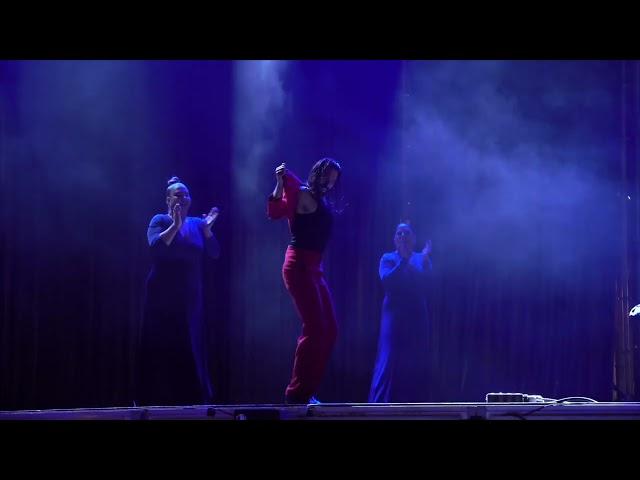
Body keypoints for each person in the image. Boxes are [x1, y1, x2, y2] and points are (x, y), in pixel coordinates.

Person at [137, 176, 220, 406]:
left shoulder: (197, 224)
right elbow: (155, 248)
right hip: (162, 297)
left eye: (186, 195)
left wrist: (208, 231)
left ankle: (192, 399)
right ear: (168, 198)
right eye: (177, 195)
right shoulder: (160, 220)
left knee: (191, 345)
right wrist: (175, 225)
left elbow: (214, 253)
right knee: (163, 345)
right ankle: (157, 399)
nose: (182, 198)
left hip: (191, 297)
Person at [267, 158, 342, 404]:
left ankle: (307, 391)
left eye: (334, 180)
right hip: (298, 265)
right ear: (318, 174)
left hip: (314, 268)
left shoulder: (320, 199)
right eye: (327, 178)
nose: (330, 184)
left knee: (329, 330)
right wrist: (279, 183)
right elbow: (275, 211)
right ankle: (296, 394)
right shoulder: (301, 193)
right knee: (315, 328)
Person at [369, 222, 433, 403]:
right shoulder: (387, 258)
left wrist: (426, 261)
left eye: (406, 233)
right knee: (391, 357)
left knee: (415, 357)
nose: (403, 236)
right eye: (399, 233)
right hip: (395, 315)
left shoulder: (422, 258)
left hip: (417, 315)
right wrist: (404, 261)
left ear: (413, 238)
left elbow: (427, 284)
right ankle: (382, 404)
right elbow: (387, 280)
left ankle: (415, 404)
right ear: (395, 239)